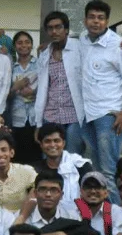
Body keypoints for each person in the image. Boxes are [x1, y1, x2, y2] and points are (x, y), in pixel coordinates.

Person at [80, 0, 122, 204]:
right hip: (87, 114)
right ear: (85, 20)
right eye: (92, 17)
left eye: (100, 18)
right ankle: (102, 214)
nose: (95, 21)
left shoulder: (118, 45)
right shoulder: (83, 40)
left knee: (108, 170)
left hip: (109, 115)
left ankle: (117, 215)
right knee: (96, 169)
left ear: (107, 21)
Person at [34, 11, 85, 155]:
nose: (54, 31)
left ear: (66, 29)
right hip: (51, 116)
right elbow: (42, 90)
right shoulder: (44, 55)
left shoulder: (80, 48)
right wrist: (38, 123)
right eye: (50, 28)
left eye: (58, 27)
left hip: (75, 115)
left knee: (73, 158)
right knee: (50, 158)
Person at [74, 171, 122, 235]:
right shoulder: (73, 211)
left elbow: (121, 233)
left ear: (106, 192)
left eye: (97, 187)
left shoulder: (115, 210)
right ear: (81, 192)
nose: (93, 191)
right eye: (88, 187)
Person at [32, 123, 93, 203]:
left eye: (56, 141)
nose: (52, 145)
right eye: (47, 141)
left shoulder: (80, 166)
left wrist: (81, 210)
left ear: (63, 143)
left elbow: (92, 195)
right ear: (41, 145)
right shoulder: (34, 170)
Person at [7, 31, 41, 164]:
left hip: (36, 118)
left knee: (36, 157)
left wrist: (35, 92)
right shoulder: (10, 67)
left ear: (32, 45)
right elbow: (5, 96)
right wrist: (15, 87)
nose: (23, 45)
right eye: (19, 43)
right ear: (14, 46)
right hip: (17, 118)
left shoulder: (40, 64)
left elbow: (48, 87)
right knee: (18, 157)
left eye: (27, 42)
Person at [0, 132, 37, 213]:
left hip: (21, 218)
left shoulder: (25, 171)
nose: (0, 154)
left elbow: (40, 186)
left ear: (11, 153)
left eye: (4, 150)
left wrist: (29, 201)